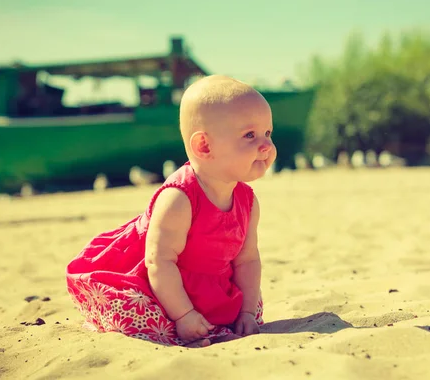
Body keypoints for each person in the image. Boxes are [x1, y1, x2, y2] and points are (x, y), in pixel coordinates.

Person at [66, 75, 277, 348]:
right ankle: (183, 320)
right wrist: (184, 314)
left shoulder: (247, 201)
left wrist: (247, 312)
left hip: (210, 283)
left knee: (253, 306)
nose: (266, 146)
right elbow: (159, 262)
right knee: (138, 313)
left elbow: (247, 260)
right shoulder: (179, 198)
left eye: (268, 134)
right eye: (250, 135)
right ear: (204, 146)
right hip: (156, 283)